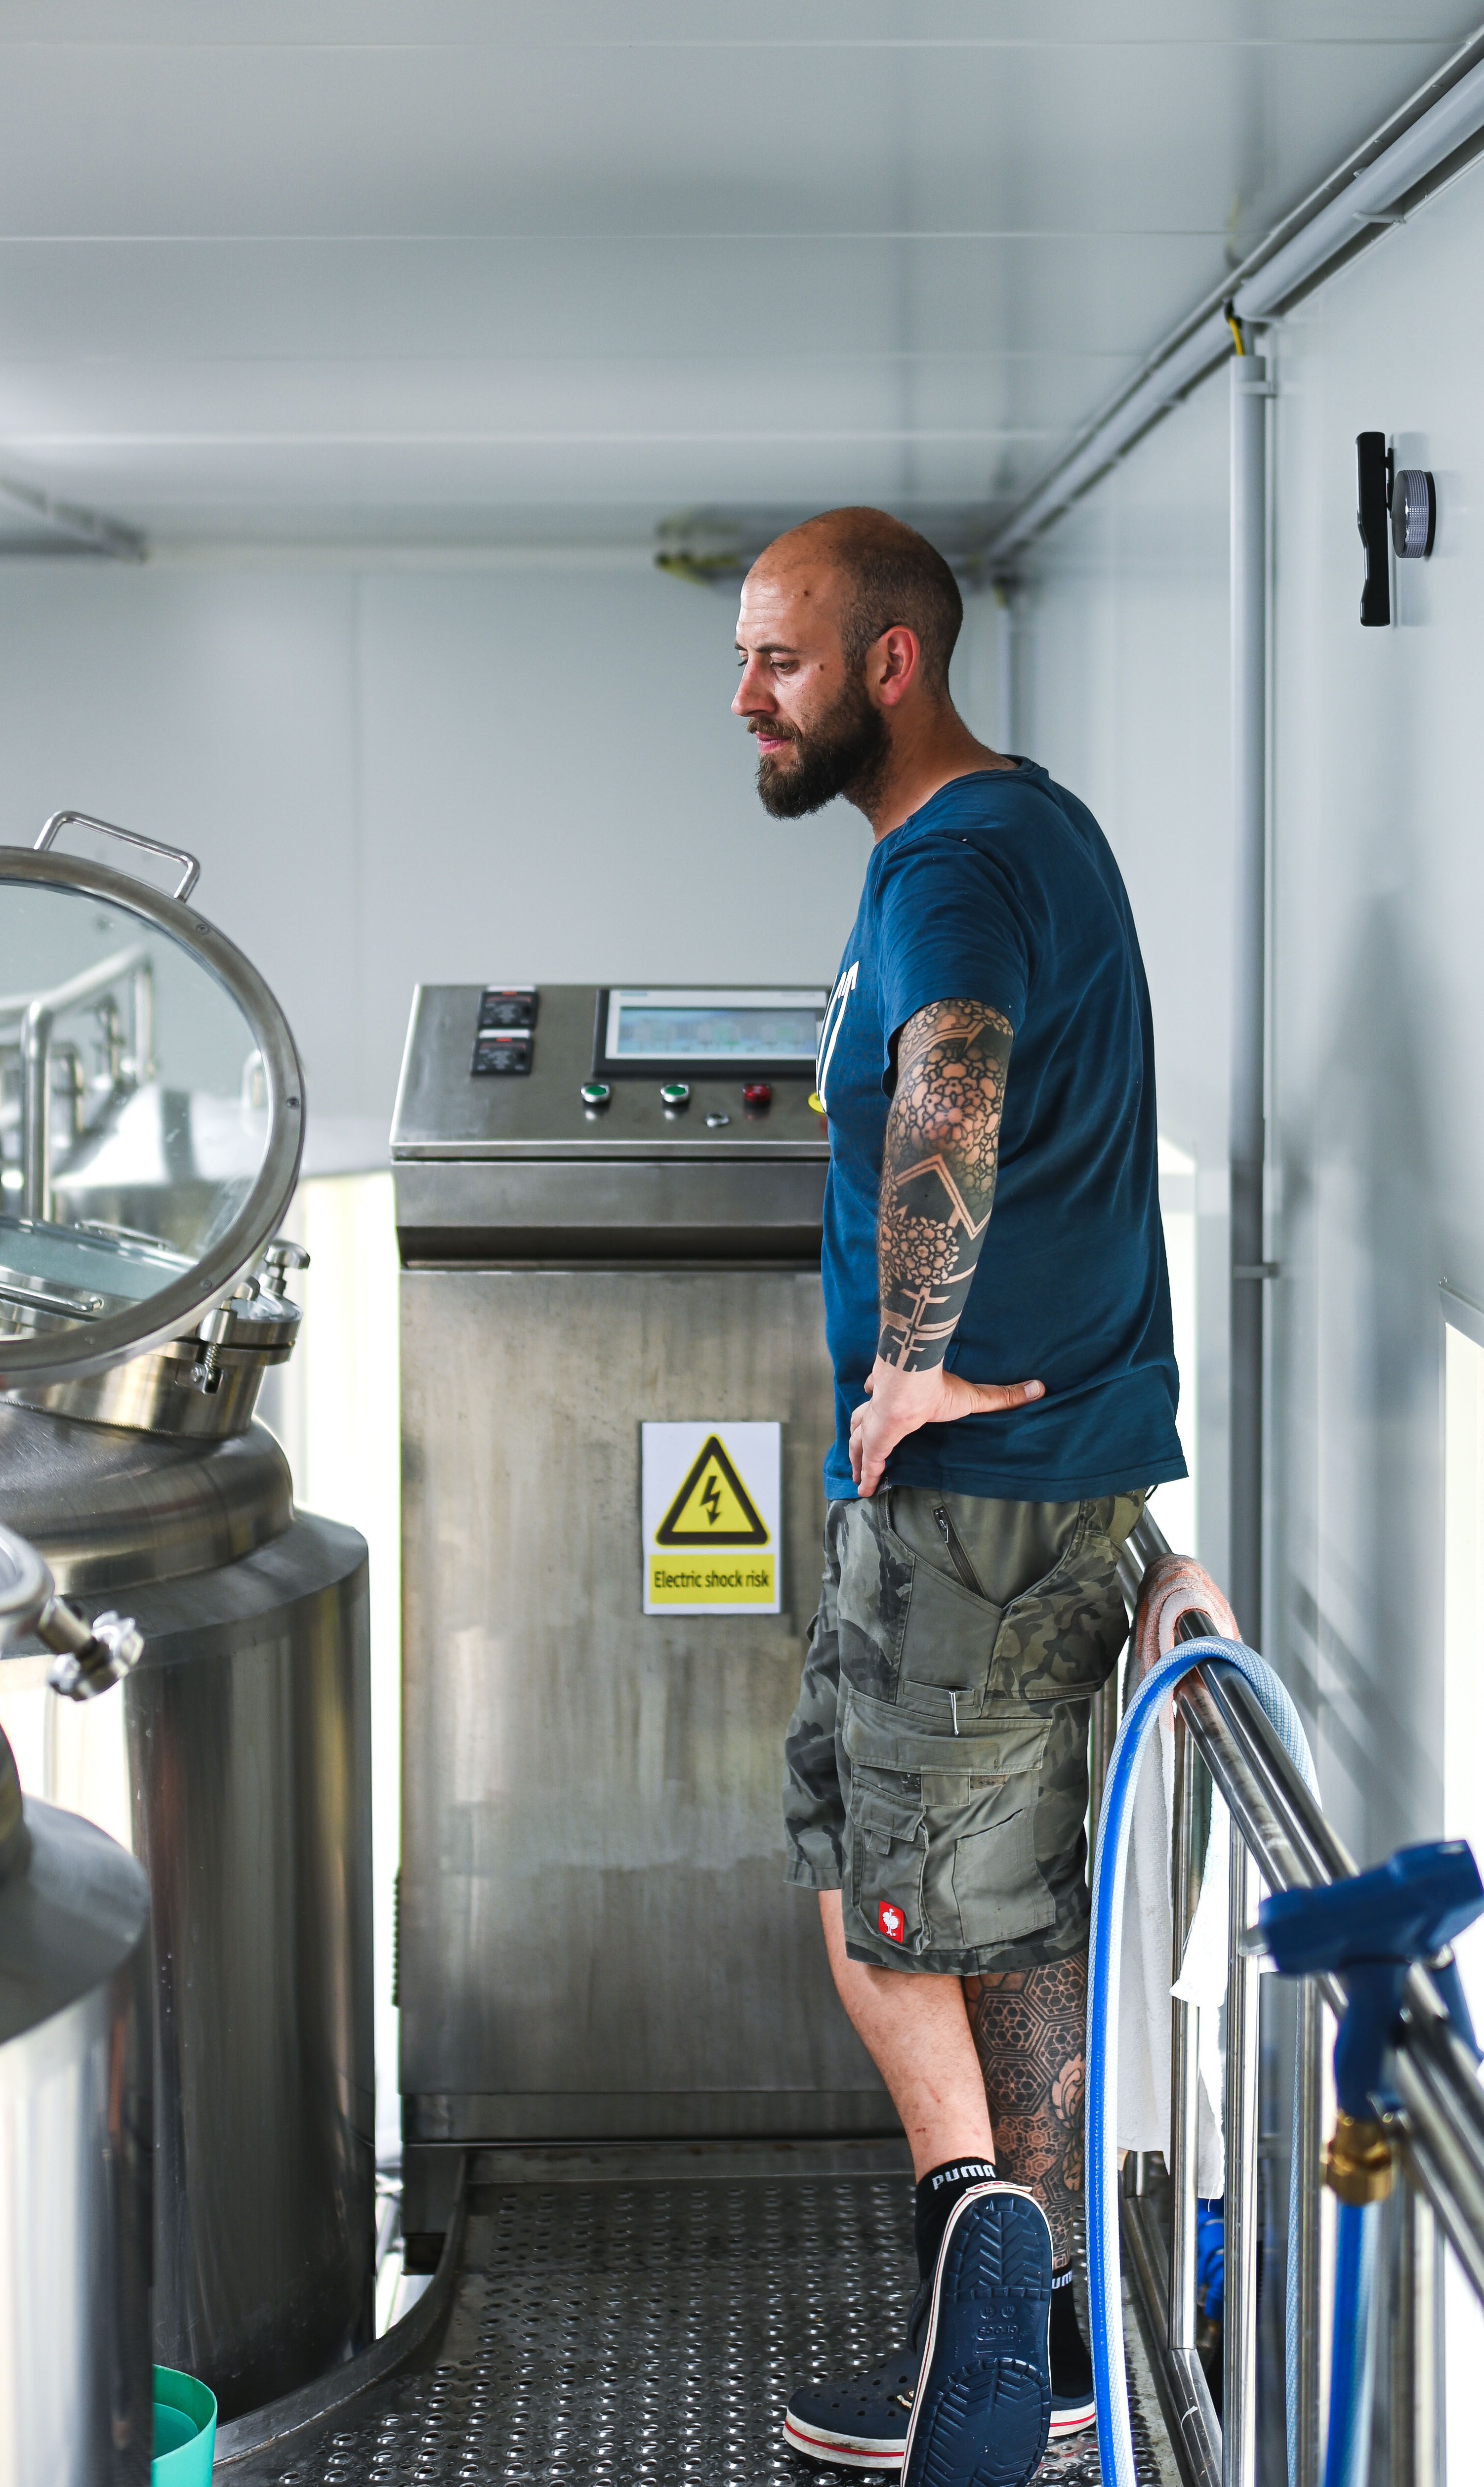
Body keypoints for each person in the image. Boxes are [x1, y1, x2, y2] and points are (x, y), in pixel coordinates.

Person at [732, 508, 1184, 2484]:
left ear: (890, 666)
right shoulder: (1020, 830)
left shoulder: (955, 859)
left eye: (783, 658)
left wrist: (913, 1349)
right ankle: (1040, 2288)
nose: (743, 691)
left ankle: (1008, 2314)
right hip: (1006, 1483)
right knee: (914, 1886)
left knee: (923, 1918)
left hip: (977, 1489)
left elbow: (956, 1069)